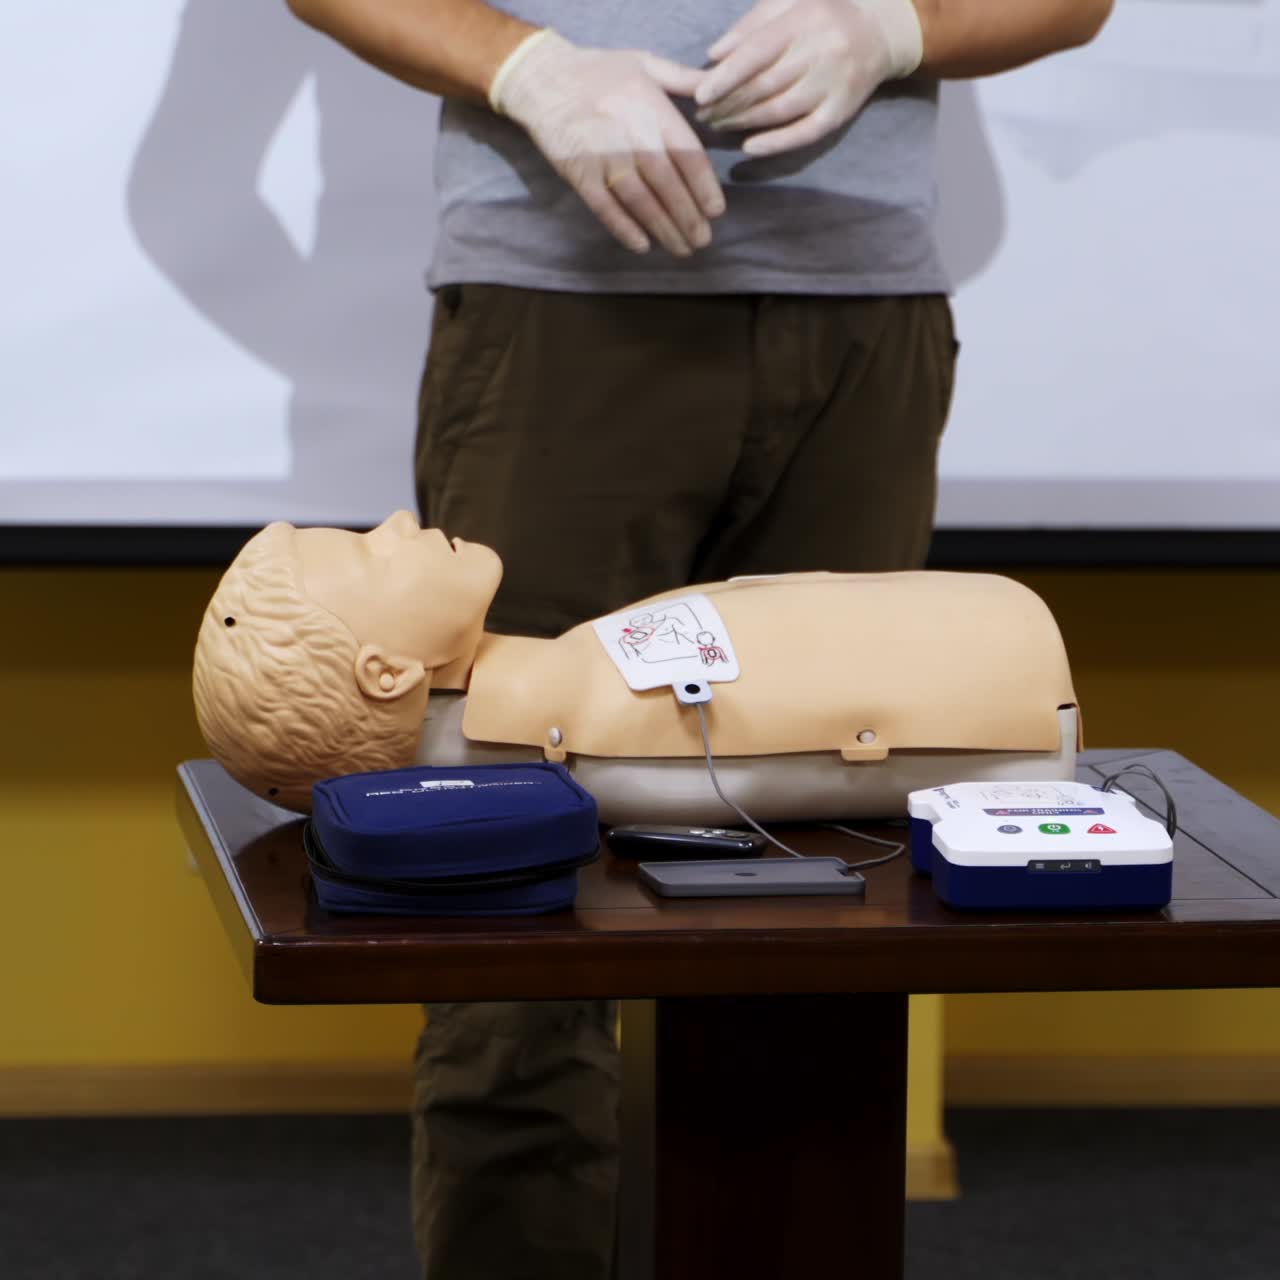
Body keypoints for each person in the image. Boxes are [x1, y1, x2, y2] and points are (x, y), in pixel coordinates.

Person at [278, 4, 1112, 1277]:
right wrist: (529, 69)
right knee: (507, 903)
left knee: (845, 888)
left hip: (861, 310)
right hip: (560, 302)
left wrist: (892, 29)